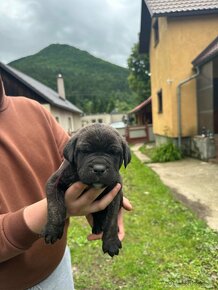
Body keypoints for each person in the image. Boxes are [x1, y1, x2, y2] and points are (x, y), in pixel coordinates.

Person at [0, 77, 132, 290]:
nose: (99, 166)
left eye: (112, 153)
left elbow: (114, 194)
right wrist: (54, 219)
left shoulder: (35, 111)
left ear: (124, 157)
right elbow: (54, 185)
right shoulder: (68, 163)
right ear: (74, 154)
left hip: (57, 266)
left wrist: (110, 230)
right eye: (87, 153)